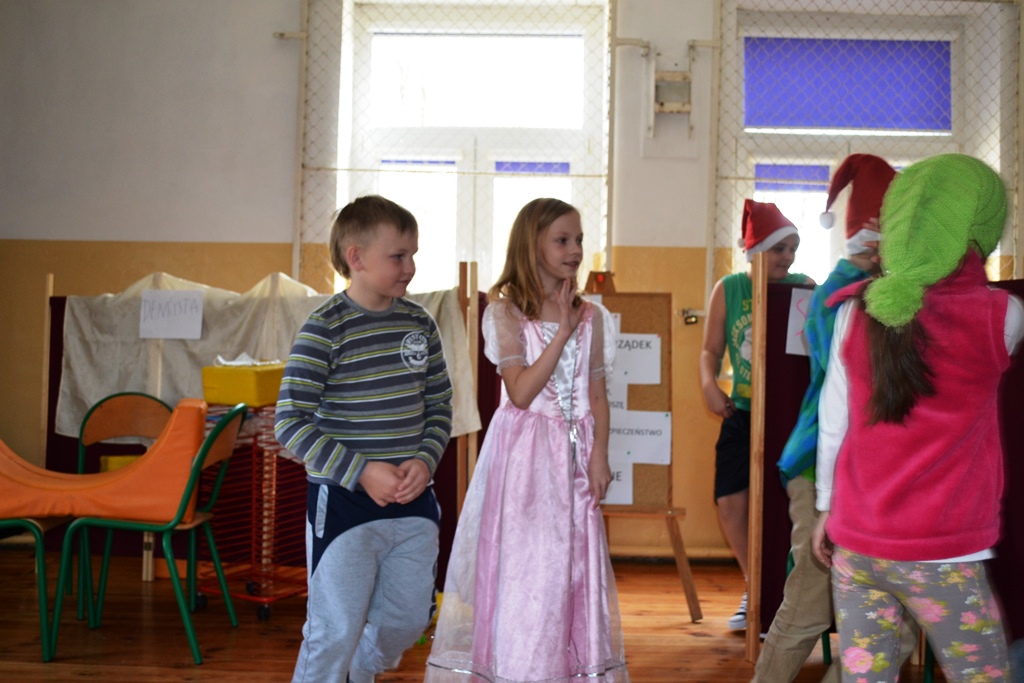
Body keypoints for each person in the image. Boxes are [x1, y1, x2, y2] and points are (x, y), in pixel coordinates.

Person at [812, 153, 1023, 683]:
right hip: (944, 552)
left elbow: (833, 423)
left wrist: (825, 509)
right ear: (980, 231)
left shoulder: (855, 309)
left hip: (857, 544)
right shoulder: (1003, 315)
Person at [425, 198, 628, 683]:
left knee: (572, 568)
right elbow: (520, 392)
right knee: (531, 567)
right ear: (531, 245)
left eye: (579, 240)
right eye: (562, 240)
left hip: (575, 456)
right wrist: (560, 334)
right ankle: (523, 669)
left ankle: (567, 669)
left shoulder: (593, 316)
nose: (575, 250)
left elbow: (597, 393)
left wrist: (599, 456)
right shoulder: (505, 312)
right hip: (527, 458)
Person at [753, 154, 922, 682]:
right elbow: (843, 378)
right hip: (819, 470)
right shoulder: (840, 295)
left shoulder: (896, 292)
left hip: (874, 477)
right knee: (808, 606)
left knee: (897, 627)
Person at [275, 195, 454, 683]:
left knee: (408, 620)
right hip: (344, 505)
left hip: (414, 503)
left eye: (413, 254)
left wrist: (426, 459)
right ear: (356, 258)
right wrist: (361, 471)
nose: (410, 267)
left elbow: (440, 406)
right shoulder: (325, 327)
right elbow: (290, 420)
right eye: (398, 256)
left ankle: (361, 670)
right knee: (334, 630)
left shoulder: (420, 324)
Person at [699, 199, 814, 631]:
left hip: (789, 415)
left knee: (786, 504)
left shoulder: (803, 288)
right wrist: (710, 386)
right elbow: (710, 350)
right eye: (779, 248)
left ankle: (787, 594)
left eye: (793, 249)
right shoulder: (728, 289)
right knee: (730, 499)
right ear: (755, 251)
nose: (788, 258)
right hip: (742, 411)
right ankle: (756, 585)